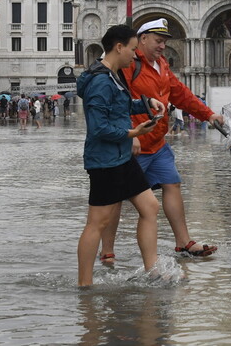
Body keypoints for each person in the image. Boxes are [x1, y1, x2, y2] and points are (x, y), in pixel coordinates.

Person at [99, 18, 223, 260]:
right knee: (116, 198)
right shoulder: (128, 65)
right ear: (142, 39)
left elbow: (181, 95)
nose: (162, 46)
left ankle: (184, 242)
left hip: (157, 143)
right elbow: (114, 102)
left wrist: (208, 114)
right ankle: (107, 251)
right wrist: (129, 133)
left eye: (165, 42)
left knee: (172, 184)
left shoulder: (163, 66)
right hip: (133, 144)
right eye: (158, 41)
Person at [76, 24, 165, 287]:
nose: (135, 56)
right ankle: (85, 284)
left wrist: (147, 103)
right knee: (97, 223)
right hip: (104, 161)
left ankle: (153, 271)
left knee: (150, 206)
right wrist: (132, 133)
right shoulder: (101, 82)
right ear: (119, 47)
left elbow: (122, 105)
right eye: (133, 49)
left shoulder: (114, 75)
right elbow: (98, 128)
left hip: (122, 157)